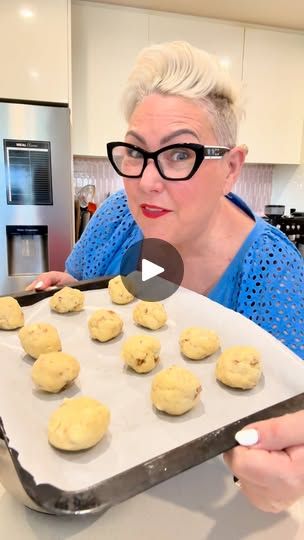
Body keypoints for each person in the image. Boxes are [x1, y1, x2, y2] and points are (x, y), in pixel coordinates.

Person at [26, 41, 304, 512]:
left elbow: (289, 421)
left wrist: (280, 484)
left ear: (231, 167)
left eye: (179, 154)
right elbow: (82, 295)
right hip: (94, 478)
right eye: (135, 152)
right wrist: (68, 296)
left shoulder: (274, 273)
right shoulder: (116, 216)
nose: (146, 182)